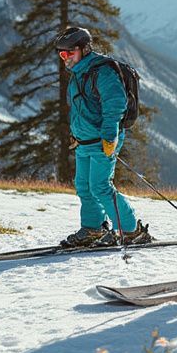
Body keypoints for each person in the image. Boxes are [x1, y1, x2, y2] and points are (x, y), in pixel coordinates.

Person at [54, 27, 151, 248]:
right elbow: (81, 109)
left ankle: (131, 230)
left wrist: (109, 137)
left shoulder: (102, 71)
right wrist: (76, 134)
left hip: (103, 141)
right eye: (62, 54)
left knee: (100, 186)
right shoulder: (78, 74)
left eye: (70, 53)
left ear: (84, 49)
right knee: (84, 186)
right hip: (84, 142)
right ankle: (92, 229)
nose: (66, 58)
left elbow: (115, 104)